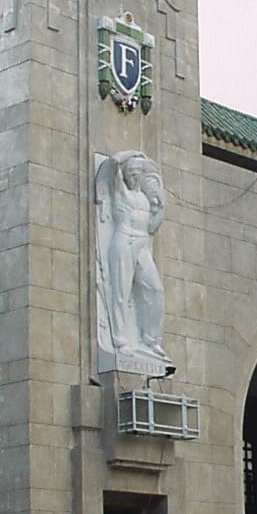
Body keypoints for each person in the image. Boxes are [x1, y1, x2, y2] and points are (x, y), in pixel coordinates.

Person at [95, 150, 168, 365]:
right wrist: (135, 153)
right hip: (123, 241)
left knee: (155, 289)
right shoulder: (120, 191)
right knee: (121, 292)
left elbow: (153, 227)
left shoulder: (145, 199)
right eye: (132, 172)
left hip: (141, 245)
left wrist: (160, 207)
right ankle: (119, 339)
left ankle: (151, 340)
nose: (135, 176)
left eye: (138, 172)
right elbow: (113, 163)